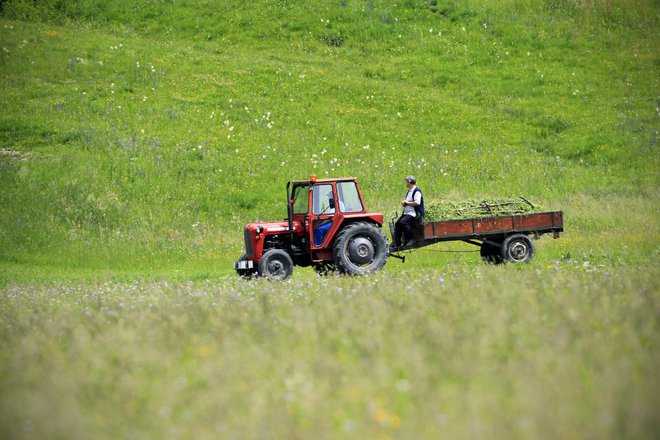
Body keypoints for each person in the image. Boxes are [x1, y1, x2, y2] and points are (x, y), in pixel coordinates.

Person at [394, 176, 424, 246]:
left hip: (414, 213)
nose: (405, 183)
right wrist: (404, 204)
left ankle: (411, 238)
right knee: (397, 224)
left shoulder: (417, 191)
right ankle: (397, 242)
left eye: (406, 182)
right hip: (407, 212)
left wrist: (407, 203)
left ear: (409, 182)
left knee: (403, 222)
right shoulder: (408, 192)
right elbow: (409, 202)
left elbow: (417, 203)